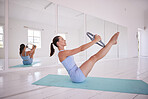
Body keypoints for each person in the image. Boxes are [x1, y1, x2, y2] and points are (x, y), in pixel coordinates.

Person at [50, 32, 119, 83]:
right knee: (94, 58)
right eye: (62, 39)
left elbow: (80, 48)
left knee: (94, 58)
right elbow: (81, 49)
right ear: (58, 43)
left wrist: (94, 41)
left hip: (76, 73)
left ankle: (111, 43)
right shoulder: (62, 53)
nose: (64, 40)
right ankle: (111, 43)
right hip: (76, 76)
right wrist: (95, 41)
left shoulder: (63, 52)